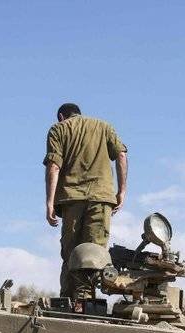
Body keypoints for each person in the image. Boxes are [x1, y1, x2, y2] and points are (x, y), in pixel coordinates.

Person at [43, 102, 127, 299]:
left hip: (71, 199)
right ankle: (86, 302)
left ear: (61, 117)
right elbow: (121, 155)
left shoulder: (58, 129)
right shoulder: (104, 126)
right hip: (101, 198)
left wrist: (49, 203)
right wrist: (122, 191)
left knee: (71, 255)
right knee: (94, 255)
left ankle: (67, 302)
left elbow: (54, 167)